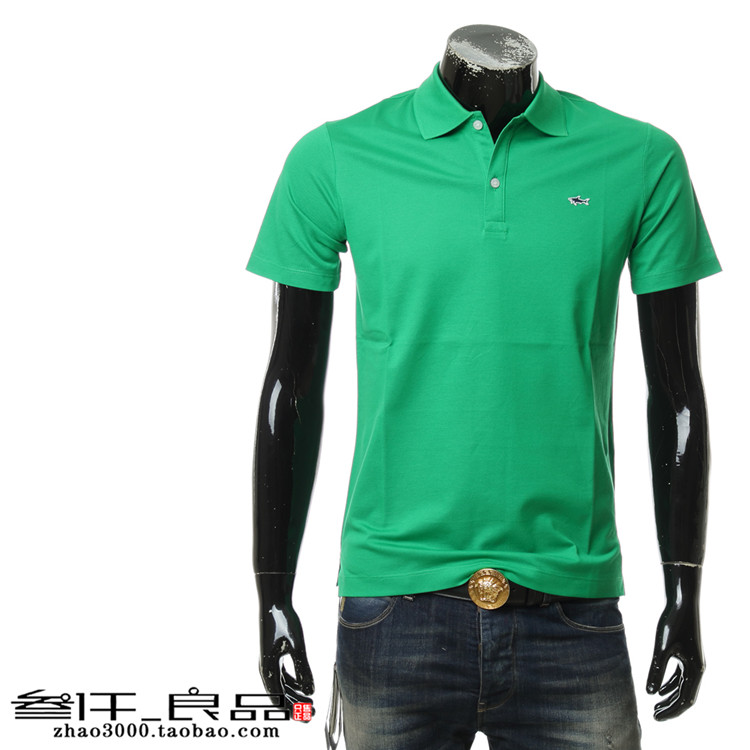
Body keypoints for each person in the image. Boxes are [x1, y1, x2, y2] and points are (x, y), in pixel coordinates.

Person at [247, 24, 720, 749]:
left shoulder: (640, 158)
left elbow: (679, 390)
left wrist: (685, 591)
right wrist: (272, 594)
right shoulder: (338, 156)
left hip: (571, 604)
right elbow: (291, 386)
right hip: (393, 599)